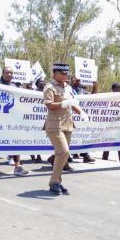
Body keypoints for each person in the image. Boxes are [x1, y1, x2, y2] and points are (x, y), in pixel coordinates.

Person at [44, 63, 82, 195]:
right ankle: (54, 181)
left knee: (62, 155)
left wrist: (82, 113)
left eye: (67, 73)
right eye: (63, 73)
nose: (66, 75)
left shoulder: (68, 88)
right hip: (55, 125)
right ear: (55, 73)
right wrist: (63, 103)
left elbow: (73, 103)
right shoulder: (49, 87)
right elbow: (49, 105)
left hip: (68, 124)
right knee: (64, 152)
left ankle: (58, 181)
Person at [0, 67, 29, 176]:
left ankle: (17, 167)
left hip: (11, 119)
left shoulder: (14, 87)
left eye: (11, 72)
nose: (9, 74)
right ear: (2, 73)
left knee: (16, 141)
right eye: (7, 72)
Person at [102, 82, 120, 162]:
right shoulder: (109, 97)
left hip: (119, 122)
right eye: (118, 87)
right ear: (114, 89)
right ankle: (105, 156)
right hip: (110, 122)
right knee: (108, 138)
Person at [30, 77, 46, 163]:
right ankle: (38, 155)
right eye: (41, 81)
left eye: (44, 81)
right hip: (36, 117)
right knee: (36, 136)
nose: (43, 83)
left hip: (45, 117)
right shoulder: (34, 92)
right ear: (37, 83)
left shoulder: (47, 91)